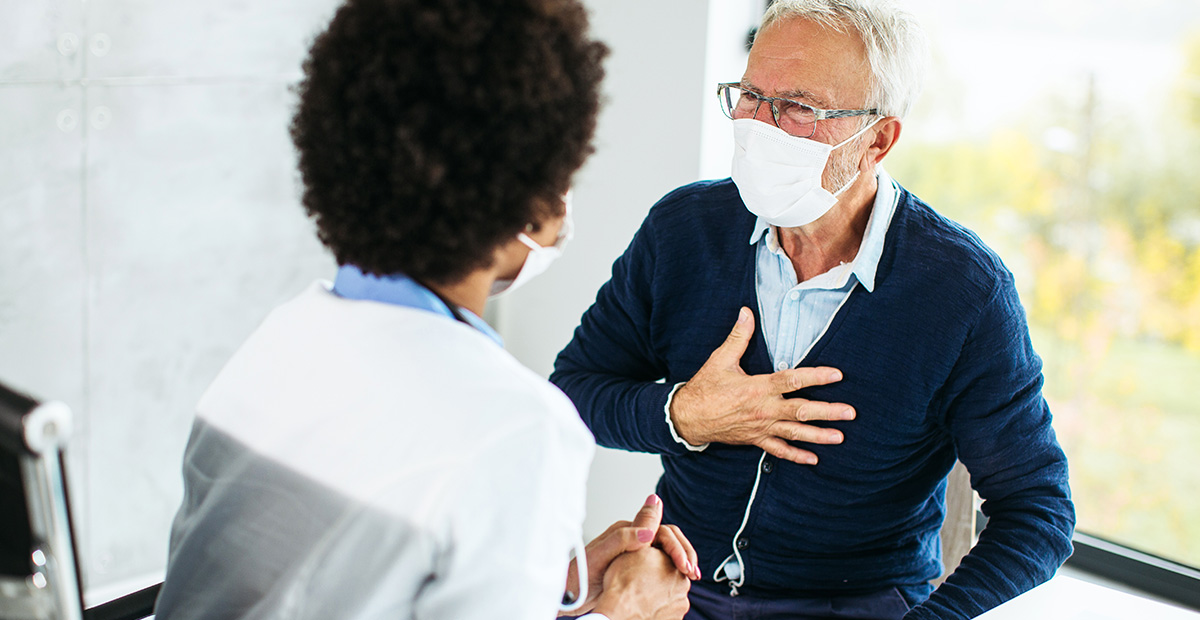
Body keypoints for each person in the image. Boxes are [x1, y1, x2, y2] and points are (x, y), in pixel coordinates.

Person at [153, 0, 696, 618]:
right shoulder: (518, 427)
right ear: (530, 189)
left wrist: (554, 582)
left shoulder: (280, 342)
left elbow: (334, 579)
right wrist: (622, 611)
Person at [549, 1, 1075, 618]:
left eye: (799, 107)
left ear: (877, 138)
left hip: (857, 605)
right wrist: (683, 414)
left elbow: (1040, 513)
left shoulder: (963, 291)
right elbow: (573, 395)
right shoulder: (683, 230)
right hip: (677, 588)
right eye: (749, 95)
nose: (760, 126)